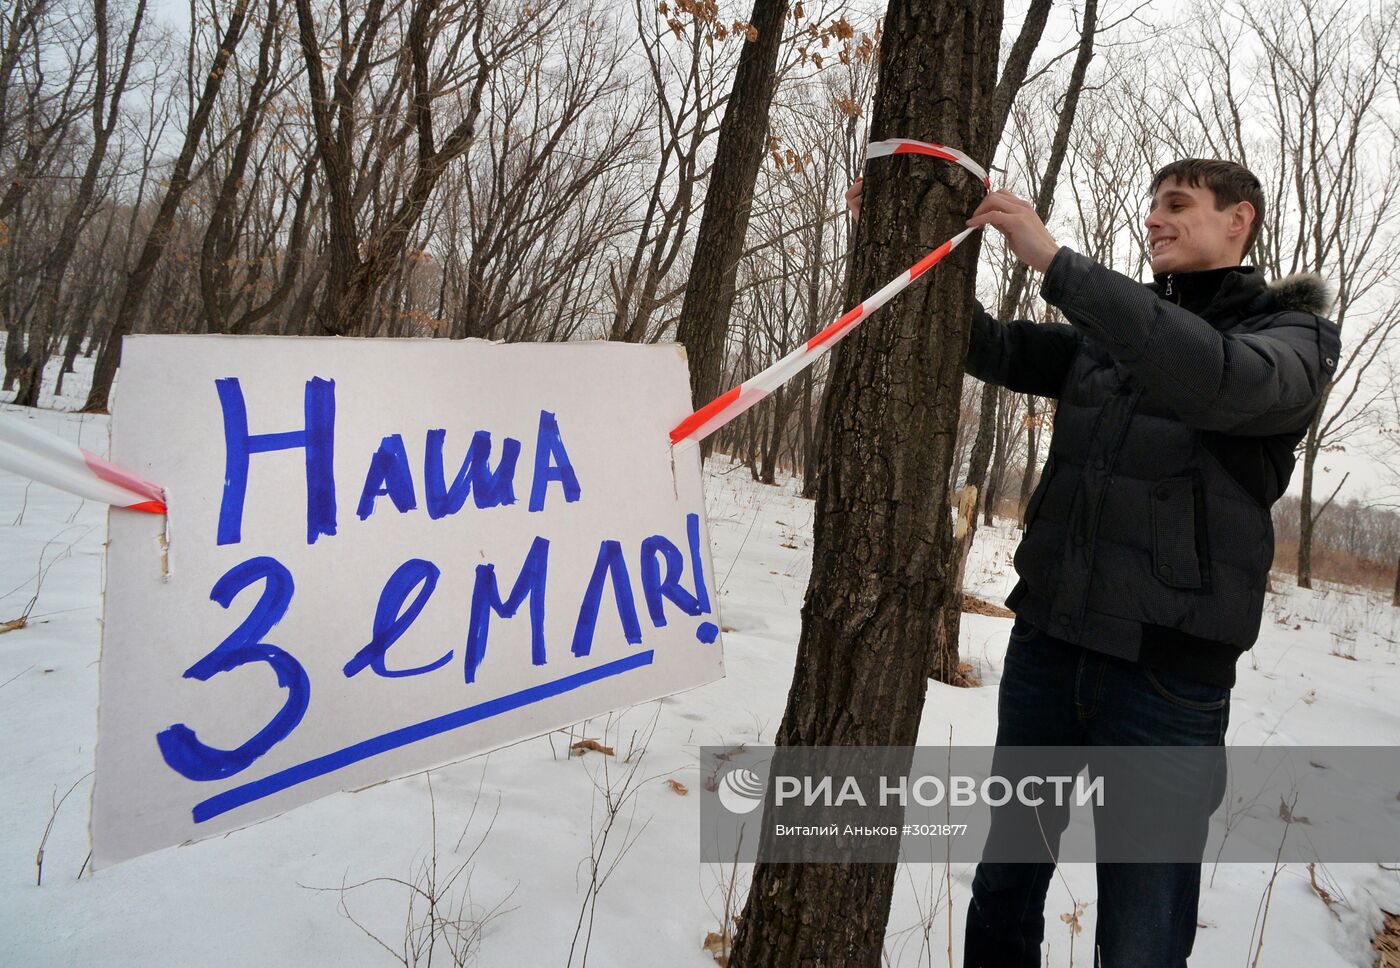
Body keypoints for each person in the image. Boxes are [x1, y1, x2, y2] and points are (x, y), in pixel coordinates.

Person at [846, 158, 1341, 966]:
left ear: (1238, 221)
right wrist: (886, 238)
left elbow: (1216, 382)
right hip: (1049, 645)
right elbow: (985, 344)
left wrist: (1054, 261)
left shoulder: (1291, 341)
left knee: (1141, 923)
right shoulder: (1115, 331)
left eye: (1177, 206)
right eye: (1151, 208)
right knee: (1006, 879)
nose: (1156, 220)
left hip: (1165, 680)